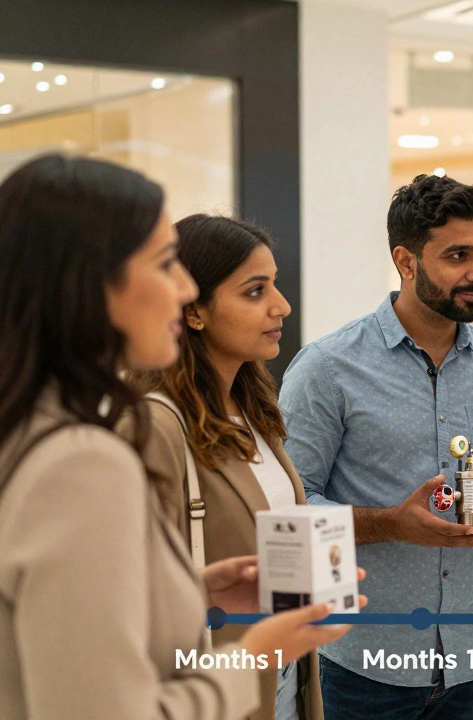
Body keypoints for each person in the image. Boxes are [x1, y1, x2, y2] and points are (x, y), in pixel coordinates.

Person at [0, 154, 352, 719]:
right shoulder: (82, 457)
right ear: (90, 281)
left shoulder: (36, 425)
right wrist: (255, 657)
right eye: (165, 264)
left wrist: (195, 590)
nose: (184, 287)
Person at [279, 174, 473, 719]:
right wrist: (391, 523)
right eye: (458, 256)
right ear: (406, 261)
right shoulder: (329, 368)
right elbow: (289, 509)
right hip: (364, 667)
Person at [130, 215, 323, 720]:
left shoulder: (254, 408)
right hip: (214, 687)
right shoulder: (160, 427)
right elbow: (136, 593)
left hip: (284, 675)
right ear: (194, 311)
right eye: (255, 292)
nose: (281, 305)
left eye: (274, 285)